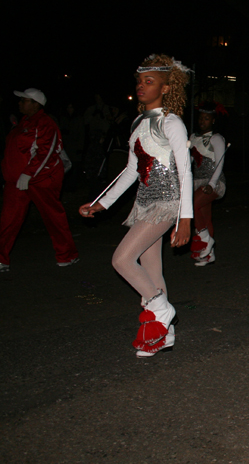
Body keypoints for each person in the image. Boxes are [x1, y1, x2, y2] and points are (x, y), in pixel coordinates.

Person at [80, 54, 192, 357]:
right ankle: (163, 335)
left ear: (166, 88)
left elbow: (185, 171)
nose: (141, 86)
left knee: (122, 260)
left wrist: (185, 219)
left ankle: (161, 309)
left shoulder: (172, 123)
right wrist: (102, 203)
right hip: (144, 203)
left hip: (167, 203)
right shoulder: (139, 122)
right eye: (139, 81)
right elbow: (131, 170)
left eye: (149, 81)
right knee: (152, 270)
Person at [0, 89, 80, 271]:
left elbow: (48, 151)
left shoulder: (45, 123)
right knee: (8, 220)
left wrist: (28, 173)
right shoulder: (23, 123)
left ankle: (67, 255)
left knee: (53, 218)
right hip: (16, 181)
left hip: (41, 179)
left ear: (35, 104)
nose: (20, 103)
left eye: (24, 100)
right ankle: (1, 258)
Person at [189, 101, 227, 266]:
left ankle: (206, 239)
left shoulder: (216, 138)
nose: (202, 121)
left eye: (206, 118)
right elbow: (190, 162)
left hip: (214, 183)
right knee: (205, 217)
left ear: (213, 120)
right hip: (197, 182)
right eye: (200, 118)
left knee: (192, 205)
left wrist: (211, 184)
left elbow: (219, 164)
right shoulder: (193, 138)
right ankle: (209, 255)